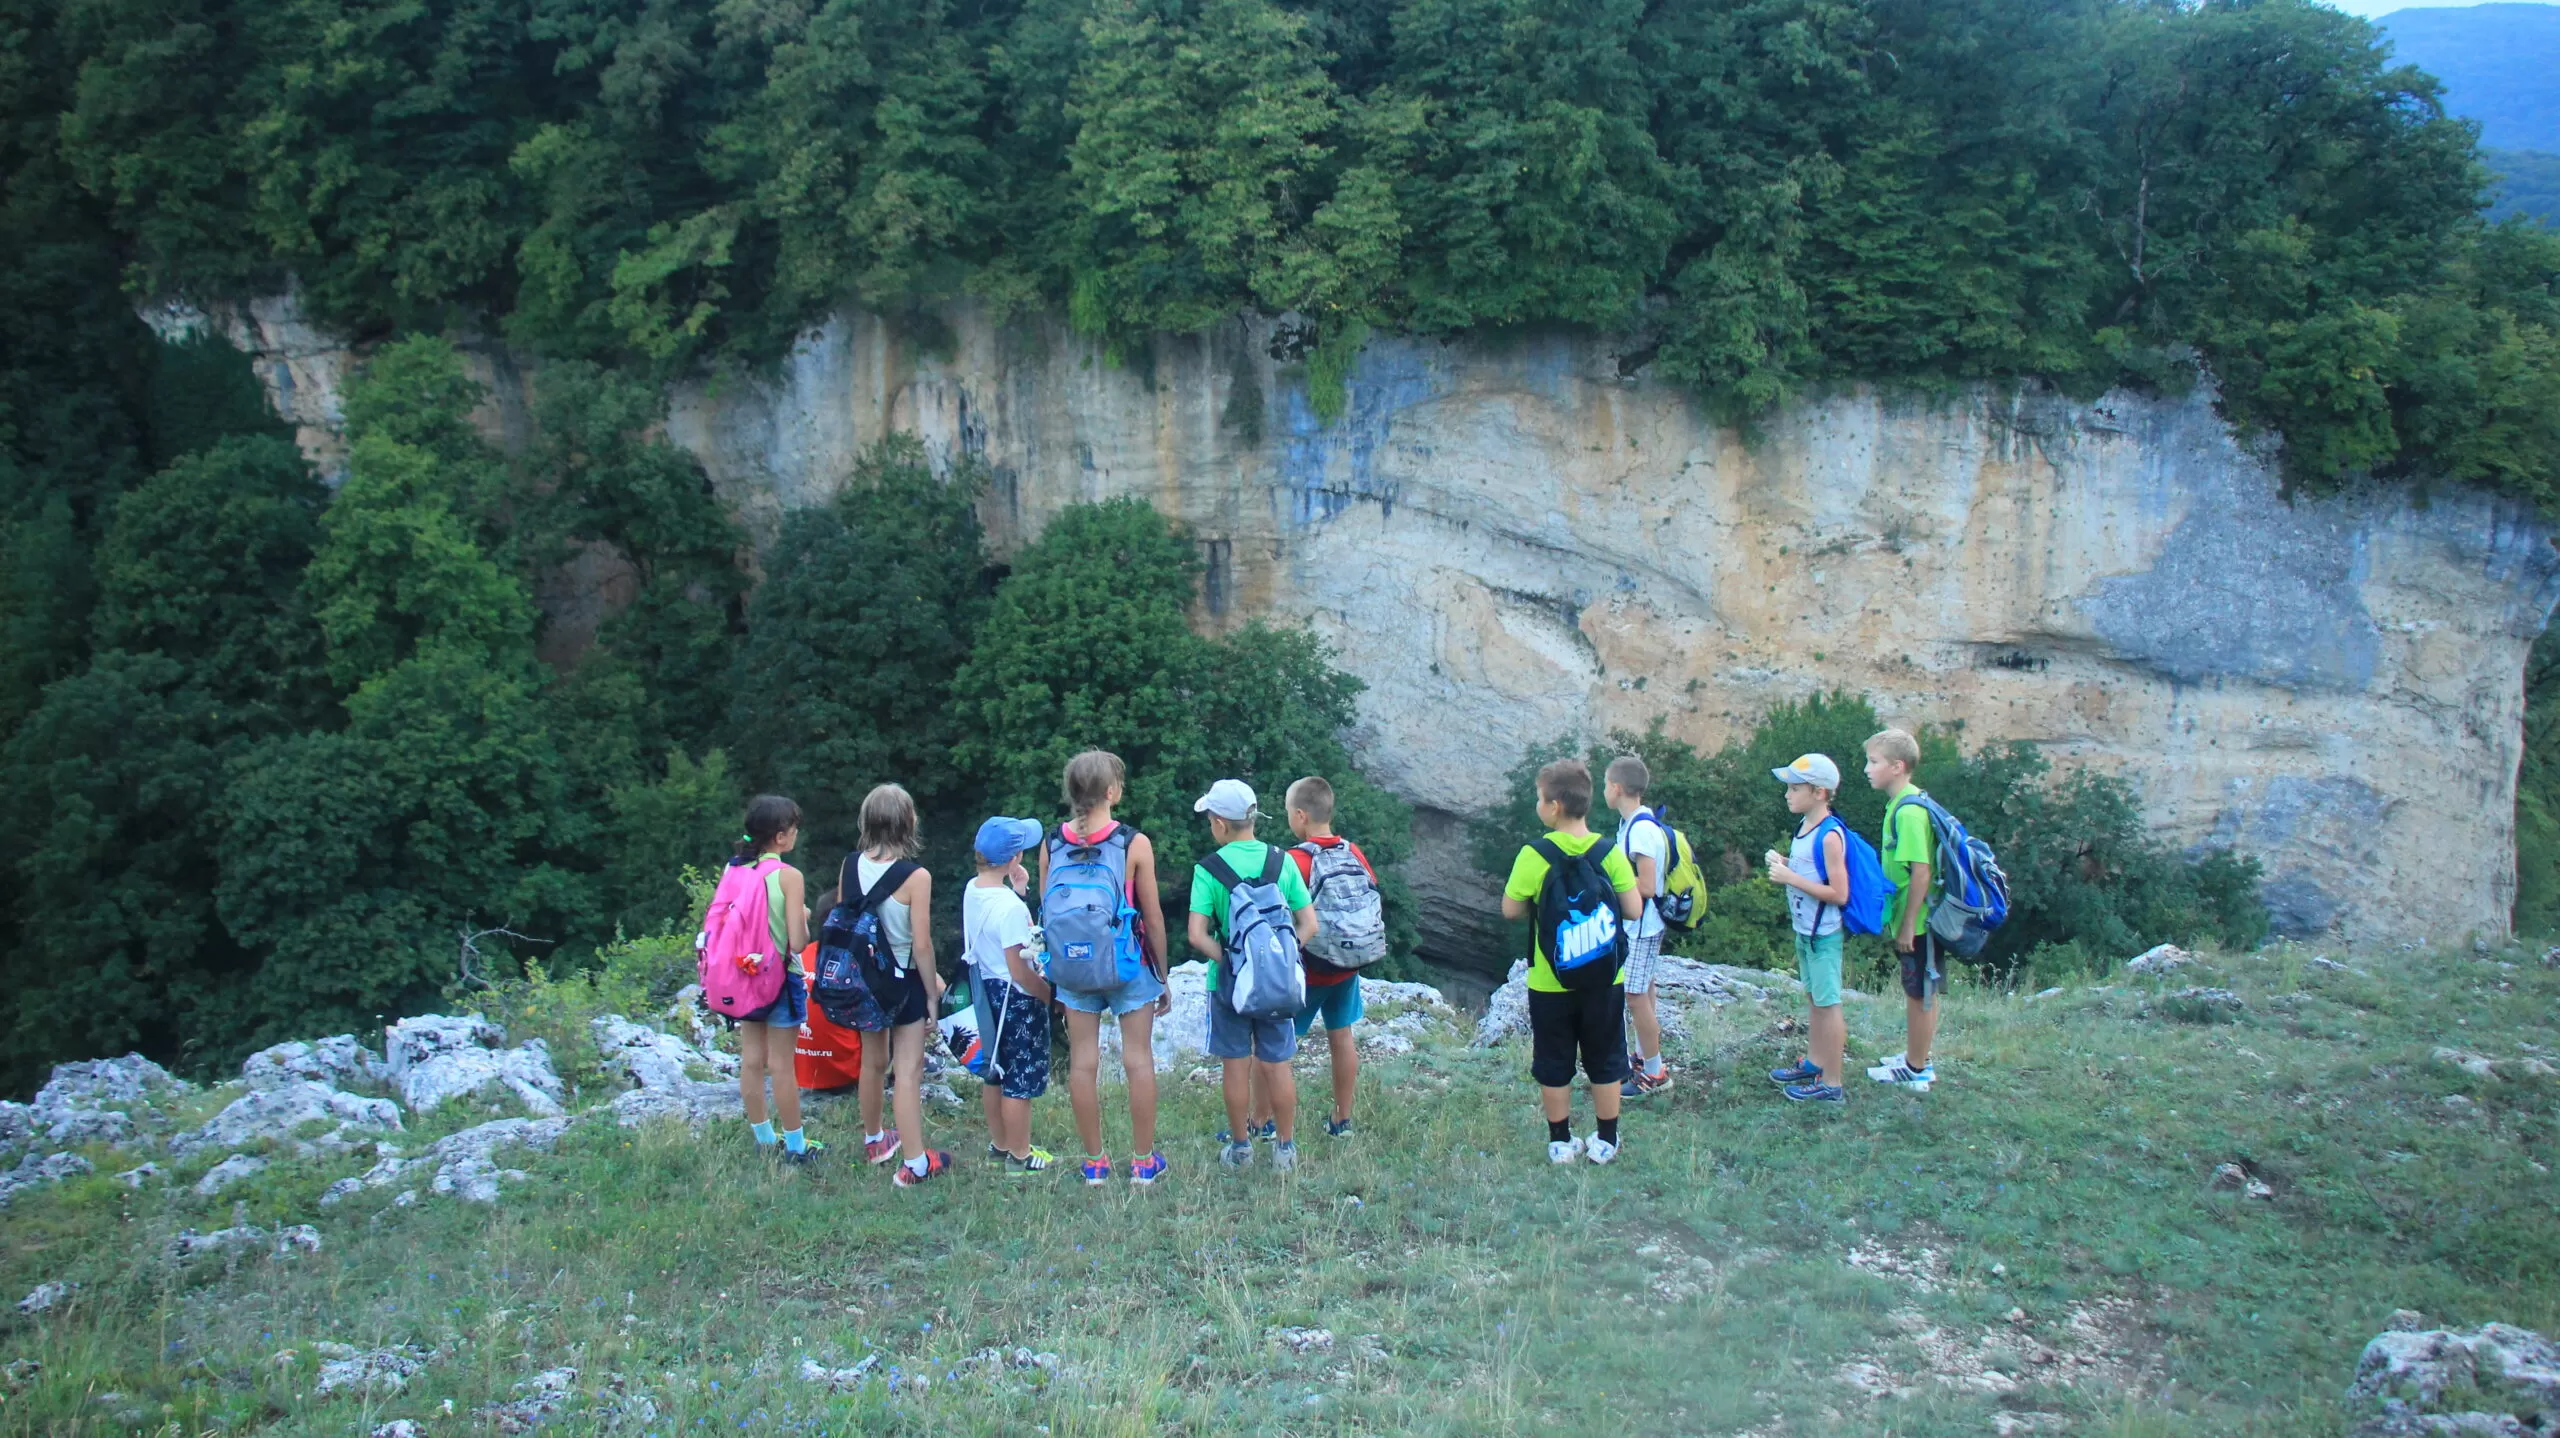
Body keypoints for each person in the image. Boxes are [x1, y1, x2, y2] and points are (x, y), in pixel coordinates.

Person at [1040, 750, 1173, 1187]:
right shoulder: (1133, 843)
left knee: (1083, 1063)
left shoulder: (1051, 844)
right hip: (1127, 964)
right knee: (1138, 1060)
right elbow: (1152, 917)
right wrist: (1162, 974)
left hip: (1073, 968)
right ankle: (1142, 1162)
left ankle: (1094, 1163)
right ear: (1112, 792)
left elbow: (1047, 913)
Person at [1501, 758, 1642, 1164]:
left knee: (1554, 1059)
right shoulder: (1608, 851)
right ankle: (1606, 1140)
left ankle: (1561, 1141)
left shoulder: (1535, 854)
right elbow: (1633, 909)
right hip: (1604, 978)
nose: (1537, 805)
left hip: (1550, 981)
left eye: (1539, 799)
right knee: (1606, 1057)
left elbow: (1510, 909)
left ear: (1555, 806)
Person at [1189, 779, 1318, 1171]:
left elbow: (1196, 935)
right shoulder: (1282, 861)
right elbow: (1309, 924)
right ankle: (1285, 1150)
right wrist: (1279, 957)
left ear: (1220, 824)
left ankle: (1241, 1149)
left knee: (1234, 1064)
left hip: (1230, 984)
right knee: (1278, 1063)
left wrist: (1232, 961)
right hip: (1277, 983)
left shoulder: (1208, 869)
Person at [844, 782, 953, 1186]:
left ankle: (875, 1140)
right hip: (902, 981)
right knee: (907, 1071)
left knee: (872, 1063)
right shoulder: (915, 876)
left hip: (863, 978)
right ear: (909, 822)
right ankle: (916, 1163)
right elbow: (921, 944)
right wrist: (931, 994)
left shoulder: (849, 865)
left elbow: (847, 921)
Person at [1277, 775, 1379, 1139]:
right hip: (1347, 966)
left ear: (1301, 816)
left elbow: (1278, 912)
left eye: (1289, 812)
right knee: (1342, 1036)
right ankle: (1342, 1119)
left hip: (1309, 970)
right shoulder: (1353, 851)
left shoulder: (1294, 860)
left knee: (1277, 1048)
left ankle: (1263, 1122)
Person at [726, 794, 821, 1163]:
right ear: (780, 837)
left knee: (751, 1058)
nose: (796, 834)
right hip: (780, 979)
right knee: (782, 1064)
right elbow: (797, 942)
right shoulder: (788, 876)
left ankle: (764, 1138)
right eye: (794, 829)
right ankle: (796, 1146)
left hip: (744, 975)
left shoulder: (735, 870)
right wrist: (803, 916)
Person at [964, 815, 1056, 1176]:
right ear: (1014, 858)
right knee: (1020, 1080)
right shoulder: (1011, 908)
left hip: (987, 993)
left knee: (995, 1072)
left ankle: (1001, 1144)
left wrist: (1019, 890)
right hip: (1016, 999)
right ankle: (1020, 1156)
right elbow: (1020, 969)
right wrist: (1048, 996)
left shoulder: (973, 890)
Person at [1763, 754, 1851, 1104]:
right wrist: (1785, 863)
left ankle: (1832, 1083)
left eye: (1795, 788)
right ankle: (1815, 1063)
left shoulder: (1830, 836)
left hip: (1824, 934)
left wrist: (1790, 877)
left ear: (1819, 793)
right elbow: (1811, 870)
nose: (1788, 794)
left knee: (1829, 1005)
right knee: (1815, 999)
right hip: (1807, 932)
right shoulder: (1805, 827)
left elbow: (1839, 894)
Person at [1865, 728, 1939, 1091]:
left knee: (1919, 993)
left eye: (1873, 762)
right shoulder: (1904, 802)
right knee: (1918, 989)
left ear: (1897, 766)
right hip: (1915, 919)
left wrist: (1908, 925)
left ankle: (1916, 1069)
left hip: (1920, 922)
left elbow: (1921, 871)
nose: (1867, 769)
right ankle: (1916, 1056)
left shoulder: (1908, 811)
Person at [1603, 756, 1673, 1097]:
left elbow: (1646, 886)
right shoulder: (1633, 823)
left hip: (1642, 927)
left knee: (1634, 997)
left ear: (1617, 788)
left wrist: (1607, 880)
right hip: (1641, 925)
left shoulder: (1641, 829)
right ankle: (1645, 1058)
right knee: (1644, 991)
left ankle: (1655, 1072)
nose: (1604, 791)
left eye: (1606, 785)